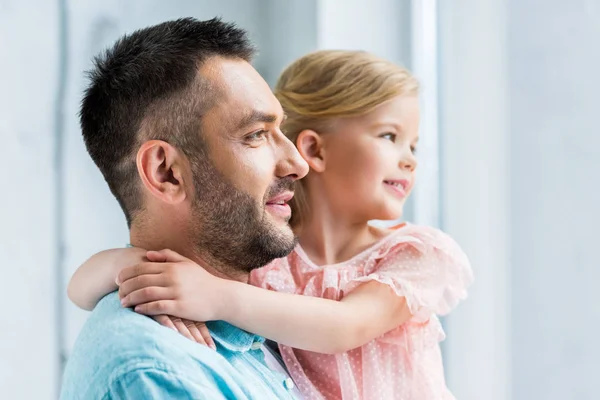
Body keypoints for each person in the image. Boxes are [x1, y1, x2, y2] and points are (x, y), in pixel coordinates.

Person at [70, 50, 474, 399]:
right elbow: (78, 288)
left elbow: (345, 327)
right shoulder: (269, 259)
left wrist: (213, 295)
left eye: (414, 145)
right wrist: (132, 266)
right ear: (314, 148)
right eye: (389, 136)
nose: (410, 159)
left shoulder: (413, 255)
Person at [60, 17, 310, 399]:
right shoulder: (156, 370)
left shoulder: (266, 316)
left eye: (281, 131)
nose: (298, 163)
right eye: (257, 135)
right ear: (166, 172)